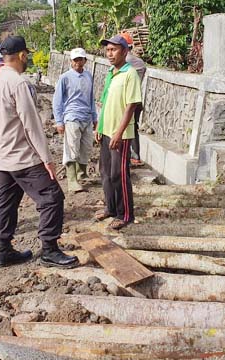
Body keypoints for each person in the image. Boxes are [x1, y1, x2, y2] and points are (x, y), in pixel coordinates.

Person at [0, 36, 78, 269]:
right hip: (22, 156)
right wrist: (47, 159)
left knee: (5, 202)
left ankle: (4, 251)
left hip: (1, 156)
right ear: (23, 55)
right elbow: (31, 125)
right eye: (28, 55)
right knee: (52, 198)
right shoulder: (18, 83)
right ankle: (49, 249)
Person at [94, 35, 142, 230]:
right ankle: (110, 208)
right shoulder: (110, 73)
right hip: (106, 130)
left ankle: (125, 214)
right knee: (105, 173)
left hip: (120, 134)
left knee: (119, 174)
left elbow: (131, 106)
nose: (110, 54)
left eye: (113, 50)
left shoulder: (130, 74)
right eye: (108, 50)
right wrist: (99, 126)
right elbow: (105, 102)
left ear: (125, 51)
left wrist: (119, 133)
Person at [52, 47, 97, 193]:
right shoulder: (65, 78)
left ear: (85, 60)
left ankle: (81, 173)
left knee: (86, 147)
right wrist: (59, 121)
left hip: (86, 116)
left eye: (81, 59)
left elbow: (91, 98)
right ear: (71, 61)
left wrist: (94, 116)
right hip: (71, 116)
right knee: (71, 148)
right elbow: (57, 101)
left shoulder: (88, 76)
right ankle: (72, 180)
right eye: (75, 60)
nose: (78, 62)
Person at [120, 32, 146, 167]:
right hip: (137, 100)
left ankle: (126, 156)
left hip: (125, 101)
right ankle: (135, 156)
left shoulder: (123, 63)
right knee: (134, 127)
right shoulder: (140, 63)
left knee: (123, 127)